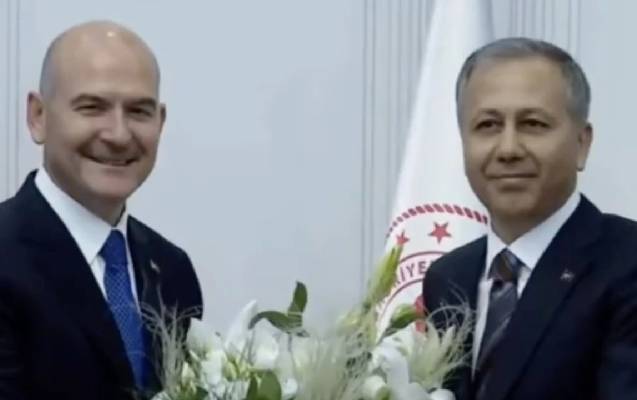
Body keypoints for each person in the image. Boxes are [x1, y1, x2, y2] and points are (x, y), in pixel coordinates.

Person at [423, 37, 637, 400]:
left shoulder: (627, 263)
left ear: (582, 143)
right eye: (487, 125)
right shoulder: (447, 277)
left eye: (533, 124)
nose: (508, 149)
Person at [0, 20, 202, 400]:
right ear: (38, 116)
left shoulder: (173, 270)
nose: (119, 134)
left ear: (160, 123)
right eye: (92, 108)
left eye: (139, 111)